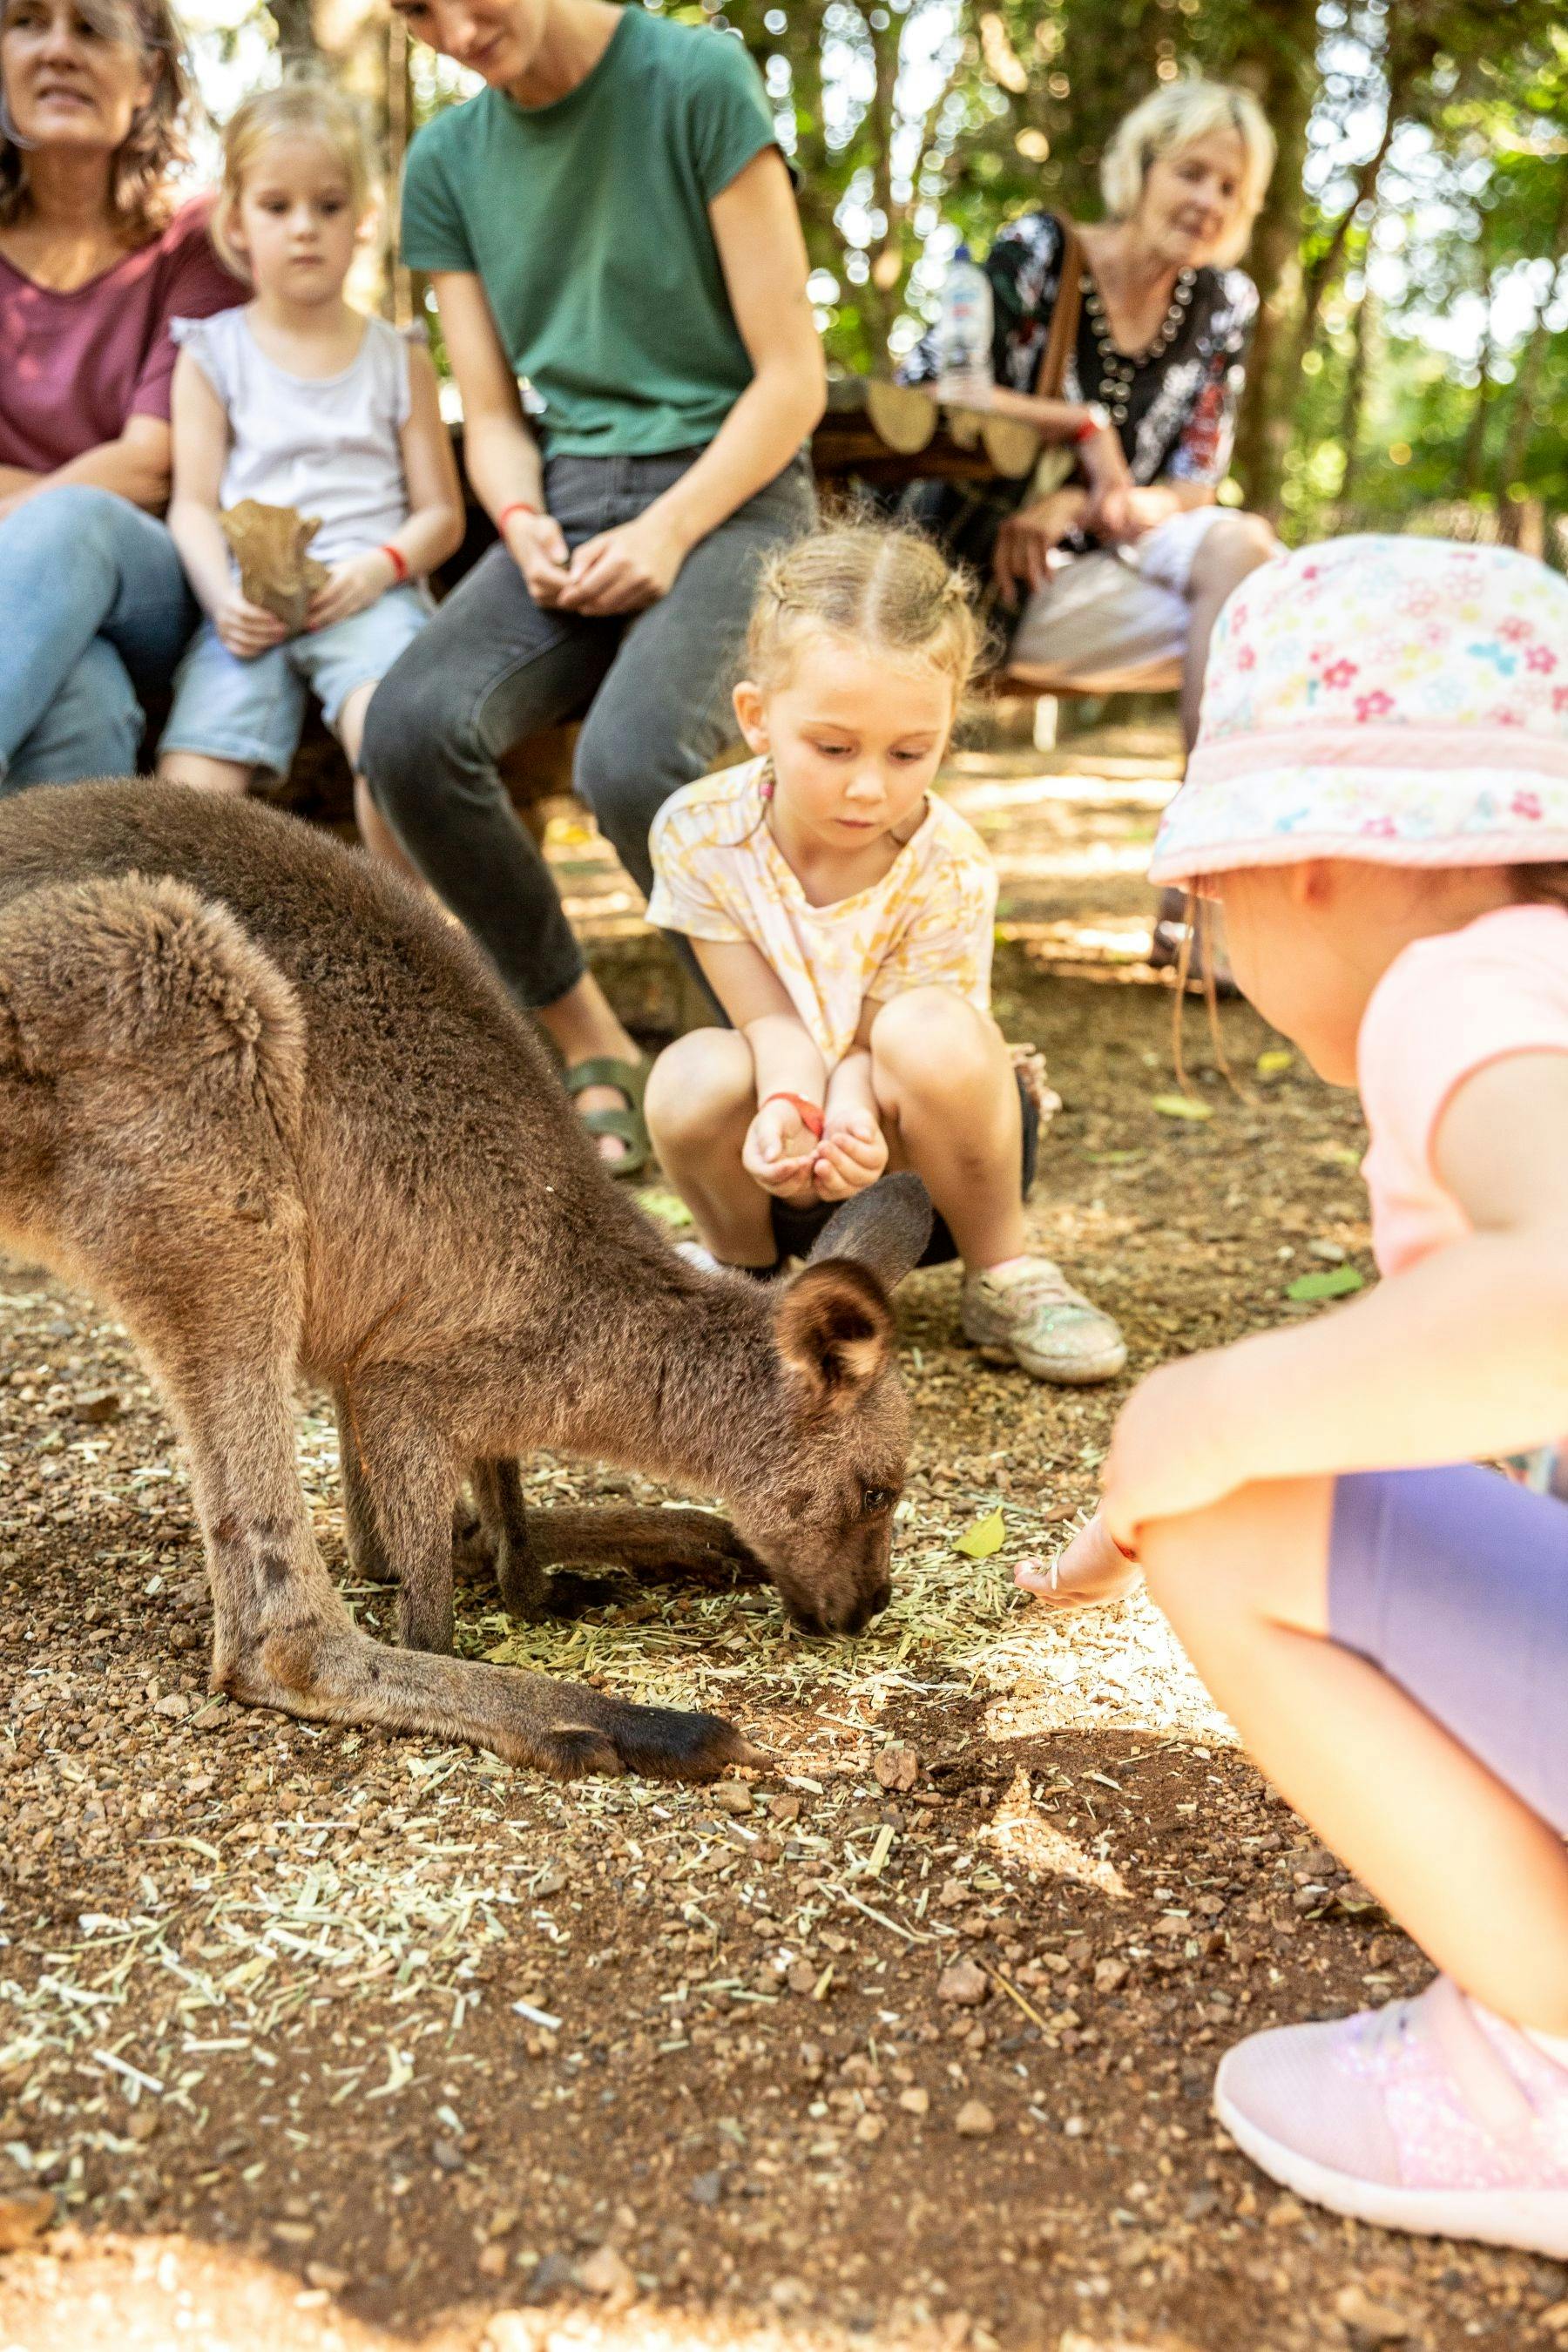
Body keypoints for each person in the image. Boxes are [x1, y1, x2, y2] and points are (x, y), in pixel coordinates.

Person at [1029, 535, 1568, 2254]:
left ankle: (1543, 2072)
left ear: (1318, 859)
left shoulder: (1462, 989)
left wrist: (1203, 1417)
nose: (1216, 938)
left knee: (1232, 1517)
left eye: (1213, 893)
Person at [361, 0, 826, 1177]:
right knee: (411, 730)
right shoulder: (446, 164)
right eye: (415, 10)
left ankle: (789, 1071)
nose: (457, 29)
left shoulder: (697, 80)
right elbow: (499, 420)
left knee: (632, 764)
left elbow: (792, 382)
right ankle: (589, 1042)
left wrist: (671, 531)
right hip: (565, 500)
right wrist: (520, 522)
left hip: (737, 490)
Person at [642, 523, 1126, 1387]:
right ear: (757, 718)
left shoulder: (948, 862)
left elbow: (889, 1040)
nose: (870, 787)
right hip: (777, 1163)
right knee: (688, 1074)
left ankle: (1004, 1272)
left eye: (911, 753)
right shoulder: (697, 833)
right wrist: (790, 1109)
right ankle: (744, 1275)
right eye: (833, 748)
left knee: (931, 1031)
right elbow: (762, 1018)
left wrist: (857, 1118)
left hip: (931, 1166)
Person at [907, 78, 1279, 754]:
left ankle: (1214, 830)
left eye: (1229, 188)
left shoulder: (1226, 302)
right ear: (1140, 170)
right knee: (1261, 621)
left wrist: (1078, 501)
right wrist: (1082, 424)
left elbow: (1193, 488)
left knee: (1254, 566)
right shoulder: (1042, 252)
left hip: (1119, 546)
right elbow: (931, 389)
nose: (1207, 201)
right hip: (987, 563)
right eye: (1191, 173)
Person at [155, 80, 464, 829]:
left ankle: (412, 936)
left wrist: (376, 571)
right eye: (277, 206)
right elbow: (192, 505)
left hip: (369, 597)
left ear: (362, 219)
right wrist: (221, 600)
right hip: (248, 608)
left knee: (395, 755)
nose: (304, 229)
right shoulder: (211, 354)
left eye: (328, 207)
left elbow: (441, 515)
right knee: (182, 802)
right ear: (235, 220)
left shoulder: (398, 358)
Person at [0, 0, 242, 793]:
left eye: (91, 28)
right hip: (32, 630)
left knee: (76, 523)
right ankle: (63, 918)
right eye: (28, 23)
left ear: (146, 79)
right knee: (84, 695)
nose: (58, 50)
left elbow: (149, 465)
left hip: (153, 582)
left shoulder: (196, 240)